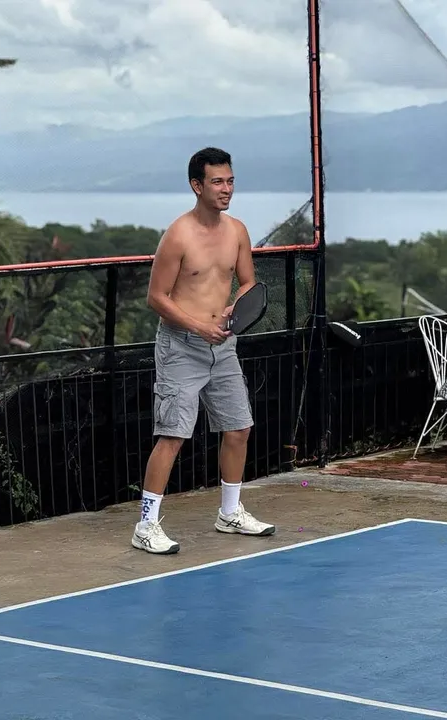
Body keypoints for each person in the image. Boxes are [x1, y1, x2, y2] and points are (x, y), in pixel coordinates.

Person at [131, 147, 275, 554]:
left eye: (230, 181)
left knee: (239, 427)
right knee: (173, 434)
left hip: (224, 344)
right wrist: (198, 327)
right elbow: (156, 297)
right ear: (197, 186)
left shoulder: (237, 231)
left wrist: (233, 309)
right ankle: (145, 525)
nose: (226, 189)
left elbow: (247, 283)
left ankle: (230, 513)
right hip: (181, 346)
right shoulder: (178, 235)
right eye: (217, 182)